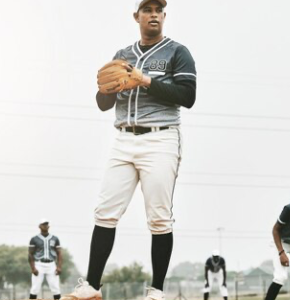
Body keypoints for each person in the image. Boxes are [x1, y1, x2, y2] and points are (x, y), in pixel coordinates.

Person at [62, 0, 197, 300]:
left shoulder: (177, 52)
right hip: (123, 138)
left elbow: (188, 96)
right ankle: (92, 287)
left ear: (164, 16)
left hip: (160, 139)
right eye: (147, 10)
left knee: (159, 218)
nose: (153, 14)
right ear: (136, 16)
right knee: (105, 212)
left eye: (158, 10)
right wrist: (107, 89)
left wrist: (145, 80)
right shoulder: (122, 55)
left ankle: (157, 291)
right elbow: (103, 104)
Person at [29, 218, 62, 300]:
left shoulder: (55, 238)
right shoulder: (34, 239)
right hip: (39, 264)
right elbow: (30, 254)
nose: (45, 226)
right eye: (44, 224)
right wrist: (33, 268)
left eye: (47, 224)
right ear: (39, 226)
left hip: (51, 264)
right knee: (35, 288)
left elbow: (59, 253)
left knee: (55, 288)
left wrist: (59, 267)